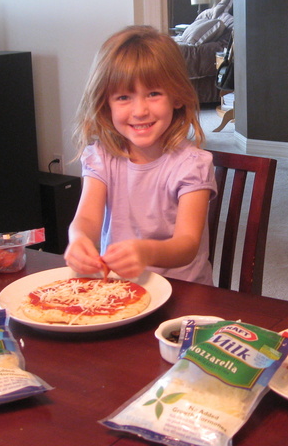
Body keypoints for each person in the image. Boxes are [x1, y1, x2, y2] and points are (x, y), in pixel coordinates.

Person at [64, 25, 216, 284]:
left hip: (183, 293)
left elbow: (187, 244)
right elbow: (87, 219)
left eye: (153, 94)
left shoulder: (193, 165)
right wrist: (78, 240)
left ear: (176, 97)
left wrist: (146, 252)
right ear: (106, 104)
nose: (140, 111)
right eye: (124, 97)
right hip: (119, 287)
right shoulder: (101, 156)